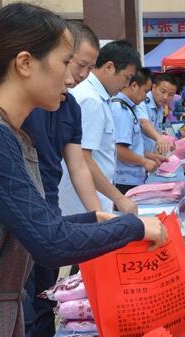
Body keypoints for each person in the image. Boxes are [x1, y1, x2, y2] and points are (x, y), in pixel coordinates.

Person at [0, 4, 166, 337]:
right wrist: (132, 227)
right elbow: (49, 243)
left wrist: (94, 220)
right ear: (25, 63)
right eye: (65, 62)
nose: (71, 77)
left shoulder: (3, 131)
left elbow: (29, 226)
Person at [20, 21, 102, 337]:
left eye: (85, 68)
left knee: (45, 299)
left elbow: (78, 164)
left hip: (49, 212)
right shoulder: (25, 105)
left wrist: (98, 217)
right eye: (73, 64)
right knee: (23, 306)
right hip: (23, 217)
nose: (77, 75)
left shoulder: (71, 107)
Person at [58, 39, 140, 215]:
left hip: (94, 199)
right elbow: (83, 159)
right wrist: (119, 198)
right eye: (126, 78)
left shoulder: (98, 98)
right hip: (84, 205)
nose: (126, 85)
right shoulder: (91, 100)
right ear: (109, 67)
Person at [113, 67, 159, 196]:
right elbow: (119, 150)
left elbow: (132, 147)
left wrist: (152, 157)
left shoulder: (130, 108)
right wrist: (144, 162)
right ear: (134, 86)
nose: (145, 97)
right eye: (145, 91)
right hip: (124, 181)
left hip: (131, 178)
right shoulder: (121, 110)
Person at [137, 73, 178, 156]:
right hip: (137, 158)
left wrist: (163, 138)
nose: (166, 97)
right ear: (154, 87)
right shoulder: (142, 102)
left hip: (150, 156)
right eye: (163, 92)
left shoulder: (160, 106)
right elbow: (143, 122)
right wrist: (158, 138)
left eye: (170, 94)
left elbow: (155, 130)